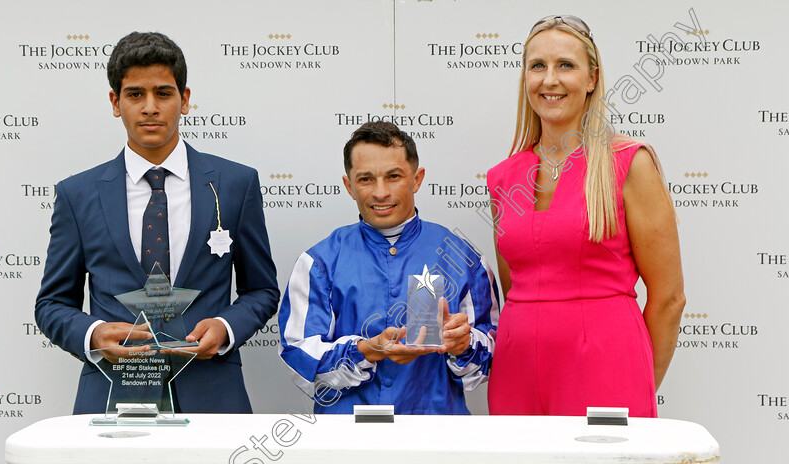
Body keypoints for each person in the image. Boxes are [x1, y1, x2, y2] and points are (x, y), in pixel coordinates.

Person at [35, 32, 279, 414]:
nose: (150, 107)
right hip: (111, 401)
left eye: (163, 93)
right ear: (116, 103)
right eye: (135, 95)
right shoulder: (77, 194)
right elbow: (51, 303)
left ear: (184, 100)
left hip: (213, 397)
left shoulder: (235, 184)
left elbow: (262, 290)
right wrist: (94, 334)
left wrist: (226, 327)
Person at [486, 15, 685, 417]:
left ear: (592, 78)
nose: (550, 80)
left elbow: (668, 299)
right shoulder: (503, 177)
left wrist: (636, 379)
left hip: (608, 370)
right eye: (537, 66)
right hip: (516, 373)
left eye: (566, 65)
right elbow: (515, 288)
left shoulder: (629, 163)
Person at [278, 121, 499, 414]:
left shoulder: (463, 257)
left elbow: (492, 359)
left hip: (435, 433)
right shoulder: (319, 261)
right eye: (366, 179)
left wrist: (463, 344)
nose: (380, 192)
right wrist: (367, 350)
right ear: (349, 185)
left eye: (393, 176)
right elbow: (299, 358)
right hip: (347, 438)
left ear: (417, 179)